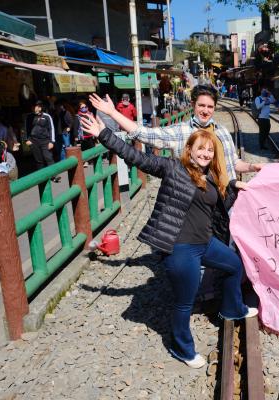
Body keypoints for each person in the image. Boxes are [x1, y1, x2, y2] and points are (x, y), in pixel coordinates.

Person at [81, 115, 258, 368]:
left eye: (210, 150)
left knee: (234, 264)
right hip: (180, 247)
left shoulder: (211, 176)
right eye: (201, 149)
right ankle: (181, 348)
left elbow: (219, 203)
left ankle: (232, 308)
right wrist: (104, 134)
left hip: (206, 242)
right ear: (190, 150)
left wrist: (235, 187)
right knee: (184, 301)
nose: (206, 154)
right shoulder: (173, 168)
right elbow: (136, 157)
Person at [88, 85, 262, 186]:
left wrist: (252, 167)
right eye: (201, 105)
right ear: (193, 105)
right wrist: (112, 113)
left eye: (210, 107)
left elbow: (234, 162)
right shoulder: (181, 131)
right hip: (195, 203)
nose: (205, 111)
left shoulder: (222, 131)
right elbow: (144, 134)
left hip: (226, 200)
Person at [25, 101, 60, 182]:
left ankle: (54, 175)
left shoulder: (47, 116)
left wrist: (52, 141)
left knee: (48, 157)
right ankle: (42, 177)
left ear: (40, 107)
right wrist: (27, 140)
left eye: (36, 106)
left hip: (45, 141)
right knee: (39, 160)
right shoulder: (29, 117)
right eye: (33, 106)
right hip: (34, 141)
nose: (34, 108)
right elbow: (26, 129)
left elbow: (52, 128)